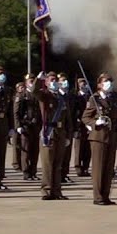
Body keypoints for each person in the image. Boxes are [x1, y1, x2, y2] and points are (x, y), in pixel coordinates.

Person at [32, 71, 73, 200]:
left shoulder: (62, 98)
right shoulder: (45, 96)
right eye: (51, 80)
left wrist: (68, 135)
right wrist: (39, 79)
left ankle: (57, 191)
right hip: (48, 132)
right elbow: (34, 91)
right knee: (48, 164)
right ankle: (46, 190)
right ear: (47, 82)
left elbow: (68, 119)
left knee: (58, 164)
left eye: (55, 80)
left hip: (61, 133)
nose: (54, 82)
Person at [82, 73, 117, 205]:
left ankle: (106, 195)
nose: (109, 83)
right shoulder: (94, 99)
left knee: (109, 168)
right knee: (99, 168)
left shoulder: (115, 98)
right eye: (105, 81)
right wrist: (95, 123)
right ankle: (98, 196)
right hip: (98, 137)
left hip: (112, 137)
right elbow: (85, 118)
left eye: (110, 81)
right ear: (99, 84)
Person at [72, 76, 93, 178]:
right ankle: (78, 167)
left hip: (88, 126)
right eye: (81, 83)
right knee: (79, 148)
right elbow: (73, 111)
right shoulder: (75, 97)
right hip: (79, 125)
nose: (83, 85)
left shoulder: (90, 97)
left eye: (84, 83)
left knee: (87, 149)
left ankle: (86, 167)